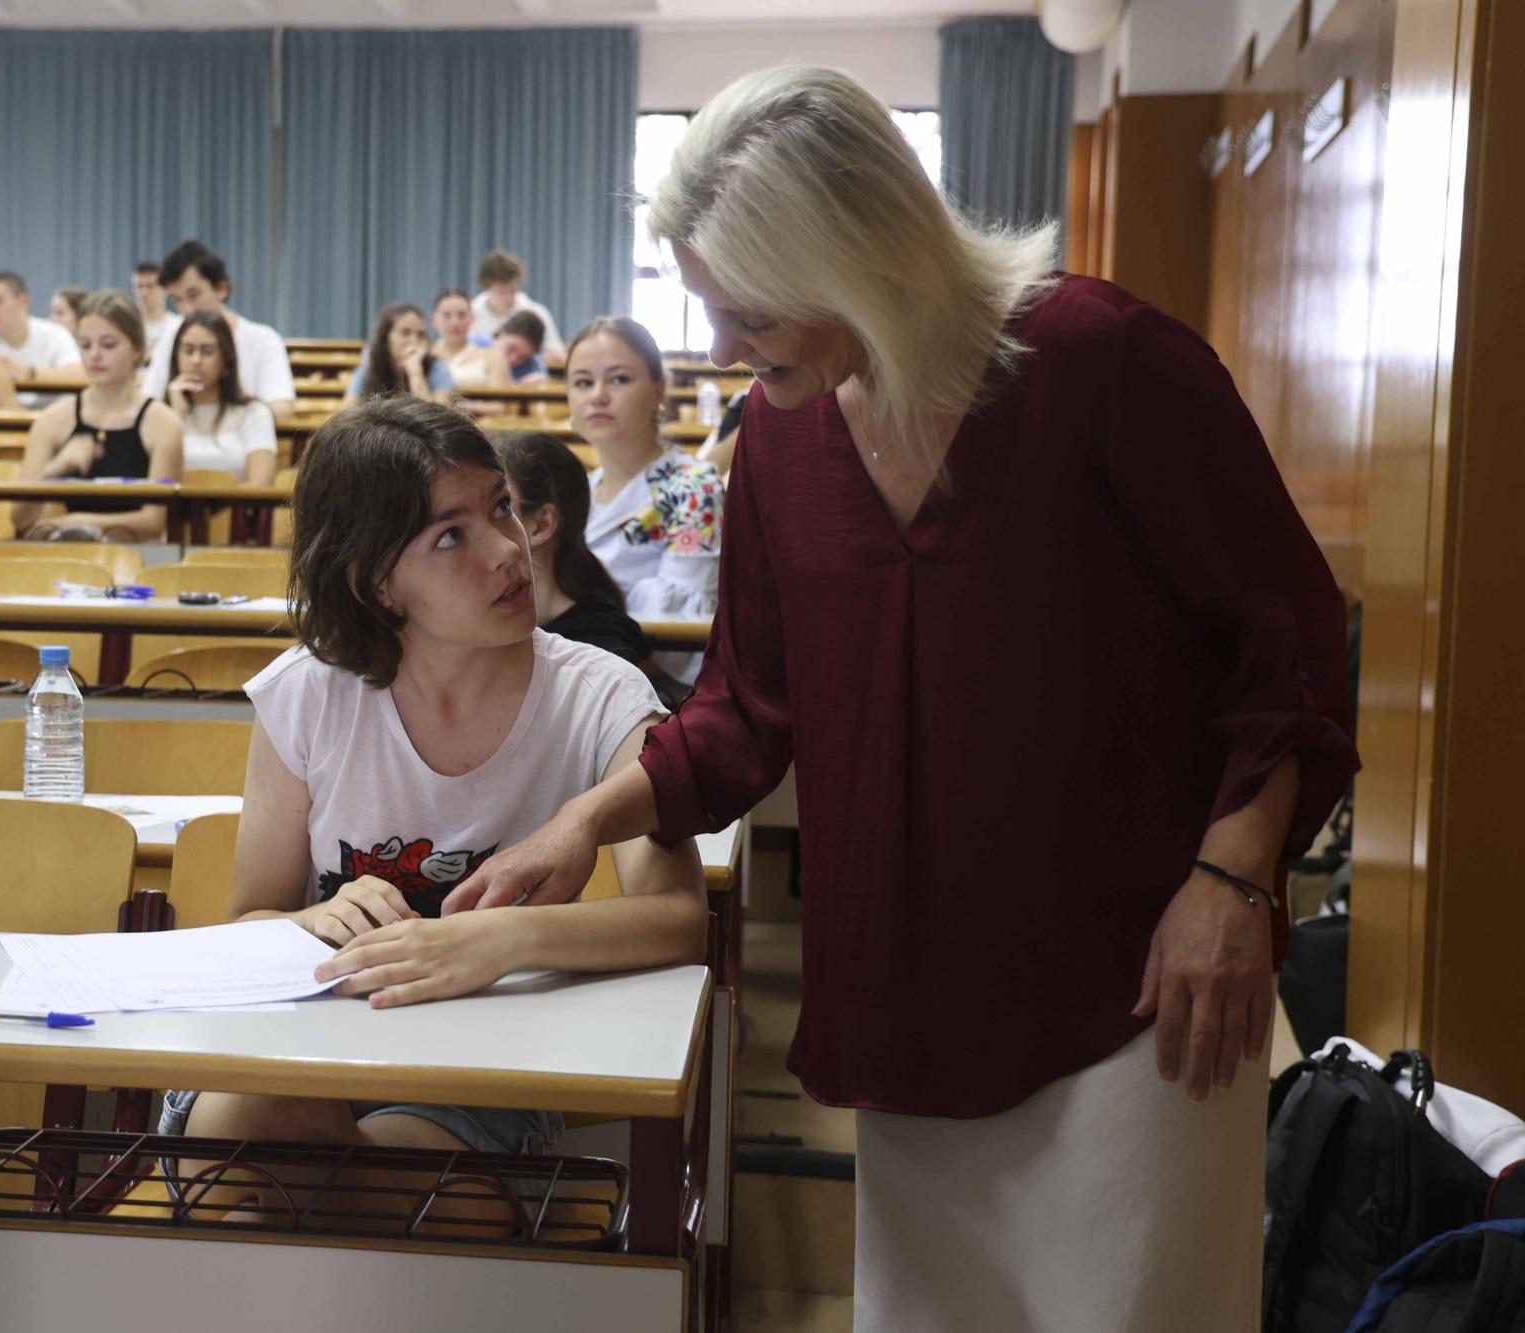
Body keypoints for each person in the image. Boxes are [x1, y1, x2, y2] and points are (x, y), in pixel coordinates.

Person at [441, 66, 1360, 1333]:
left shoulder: (1099, 364)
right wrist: (581, 821)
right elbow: (745, 707)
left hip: (1138, 981)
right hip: (907, 991)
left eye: (746, 309)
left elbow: (1287, 640)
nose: (718, 351)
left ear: (854, 257)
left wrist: (1232, 881)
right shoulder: (778, 437)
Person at [156, 396, 706, 1182]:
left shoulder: (602, 696)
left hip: (484, 1062)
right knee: (263, 1123)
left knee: (375, 1183)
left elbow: (681, 919)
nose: (508, 550)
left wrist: (502, 940)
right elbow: (252, 917)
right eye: (451, 536)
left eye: (502, 508)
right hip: (314, 1041)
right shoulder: (305, 695)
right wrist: (313, 919)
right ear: (376, 583)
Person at [569, 316, 722, 682]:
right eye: (582, 382)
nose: (597, 395)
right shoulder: (578, 490)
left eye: (619, 379)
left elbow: (680, 639)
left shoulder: (692, 487)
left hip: (653, 688)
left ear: (659, 390)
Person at [13, 290, 183, 541]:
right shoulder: (53, 420)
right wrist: (55, 469)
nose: (95, 355)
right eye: (85, 345)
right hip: (67, 557)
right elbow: (19, 518)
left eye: (108, 345)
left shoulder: (163, 424)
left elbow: (154, 521)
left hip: (138, 557)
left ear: (136, 349)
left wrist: (76, 523)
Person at [491, 431, 651, 667]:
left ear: (542, 525)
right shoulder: (474, 629)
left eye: (501, 507)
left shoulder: (601, 650)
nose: (477, 527)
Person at [140, 240, 296, 415]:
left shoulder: (263, 339)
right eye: (177, 300)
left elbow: (282, 409)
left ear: (221, 288)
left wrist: (225, 412)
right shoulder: (172, 336)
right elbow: (149, 402)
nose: (187, 309)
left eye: (194, 295)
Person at [165, 309, 277, 485]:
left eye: (207, 351)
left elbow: (260, 485)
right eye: (188, 350)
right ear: (176, 357)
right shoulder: (161, 413)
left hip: (234, 511)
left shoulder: (254, 412)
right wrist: (175, 417)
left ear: (226, 359)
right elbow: (155, 482)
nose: (196, 360)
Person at [0, 271, 83, 405]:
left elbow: (80, 375)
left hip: (50, 419)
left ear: (23, 301)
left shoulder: (55, 334)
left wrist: (29, 373)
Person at [469, 250, 564, 365]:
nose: (508, 298)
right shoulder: (470, 314)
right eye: (501, 292)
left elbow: (558, 355)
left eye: (513, 290)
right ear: (487, 288)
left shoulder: (536, 312)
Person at [346, 303, 453, 403]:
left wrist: (415, 374)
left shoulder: (437, 368)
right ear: (385, 338)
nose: (414, 341)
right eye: (405, 333)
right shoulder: (369, 368)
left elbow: (435, 418)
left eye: (420, 335)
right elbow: (347, 414)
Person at [430, 287, 507, 389]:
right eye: (446, 315)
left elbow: (499, 403)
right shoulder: (424, 357)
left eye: (462, 315)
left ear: (472, 318)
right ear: (434, 320)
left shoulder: (492, 357)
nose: (455, 323)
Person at [492, 311, 551, 386]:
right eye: (512, 348)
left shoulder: (533, 365)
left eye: (522, 357)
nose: (513, 359)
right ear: (501, 332)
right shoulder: (475, 345)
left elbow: (544, 379)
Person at [132, 261, 172, 355]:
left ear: (165, 289)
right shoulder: (127, 327)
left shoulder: (178, 324)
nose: (143, 293)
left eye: (150, 286)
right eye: (139, 286)